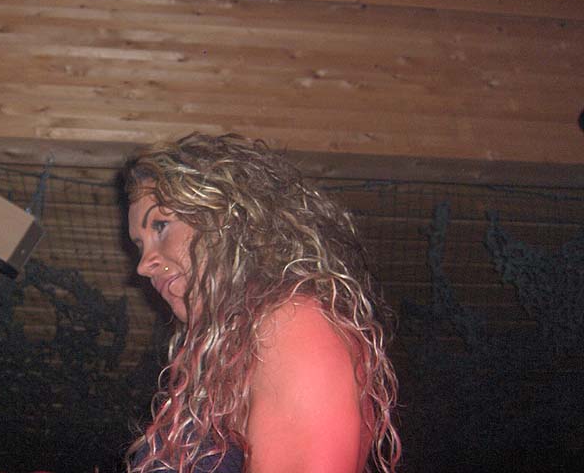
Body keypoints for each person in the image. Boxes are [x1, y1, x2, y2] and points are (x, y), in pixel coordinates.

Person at [124, 133, 401, 473]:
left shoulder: (292, 325)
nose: (144, 264)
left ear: (226, 218)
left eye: (161, 226)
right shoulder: (234, 354)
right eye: (140, 245)